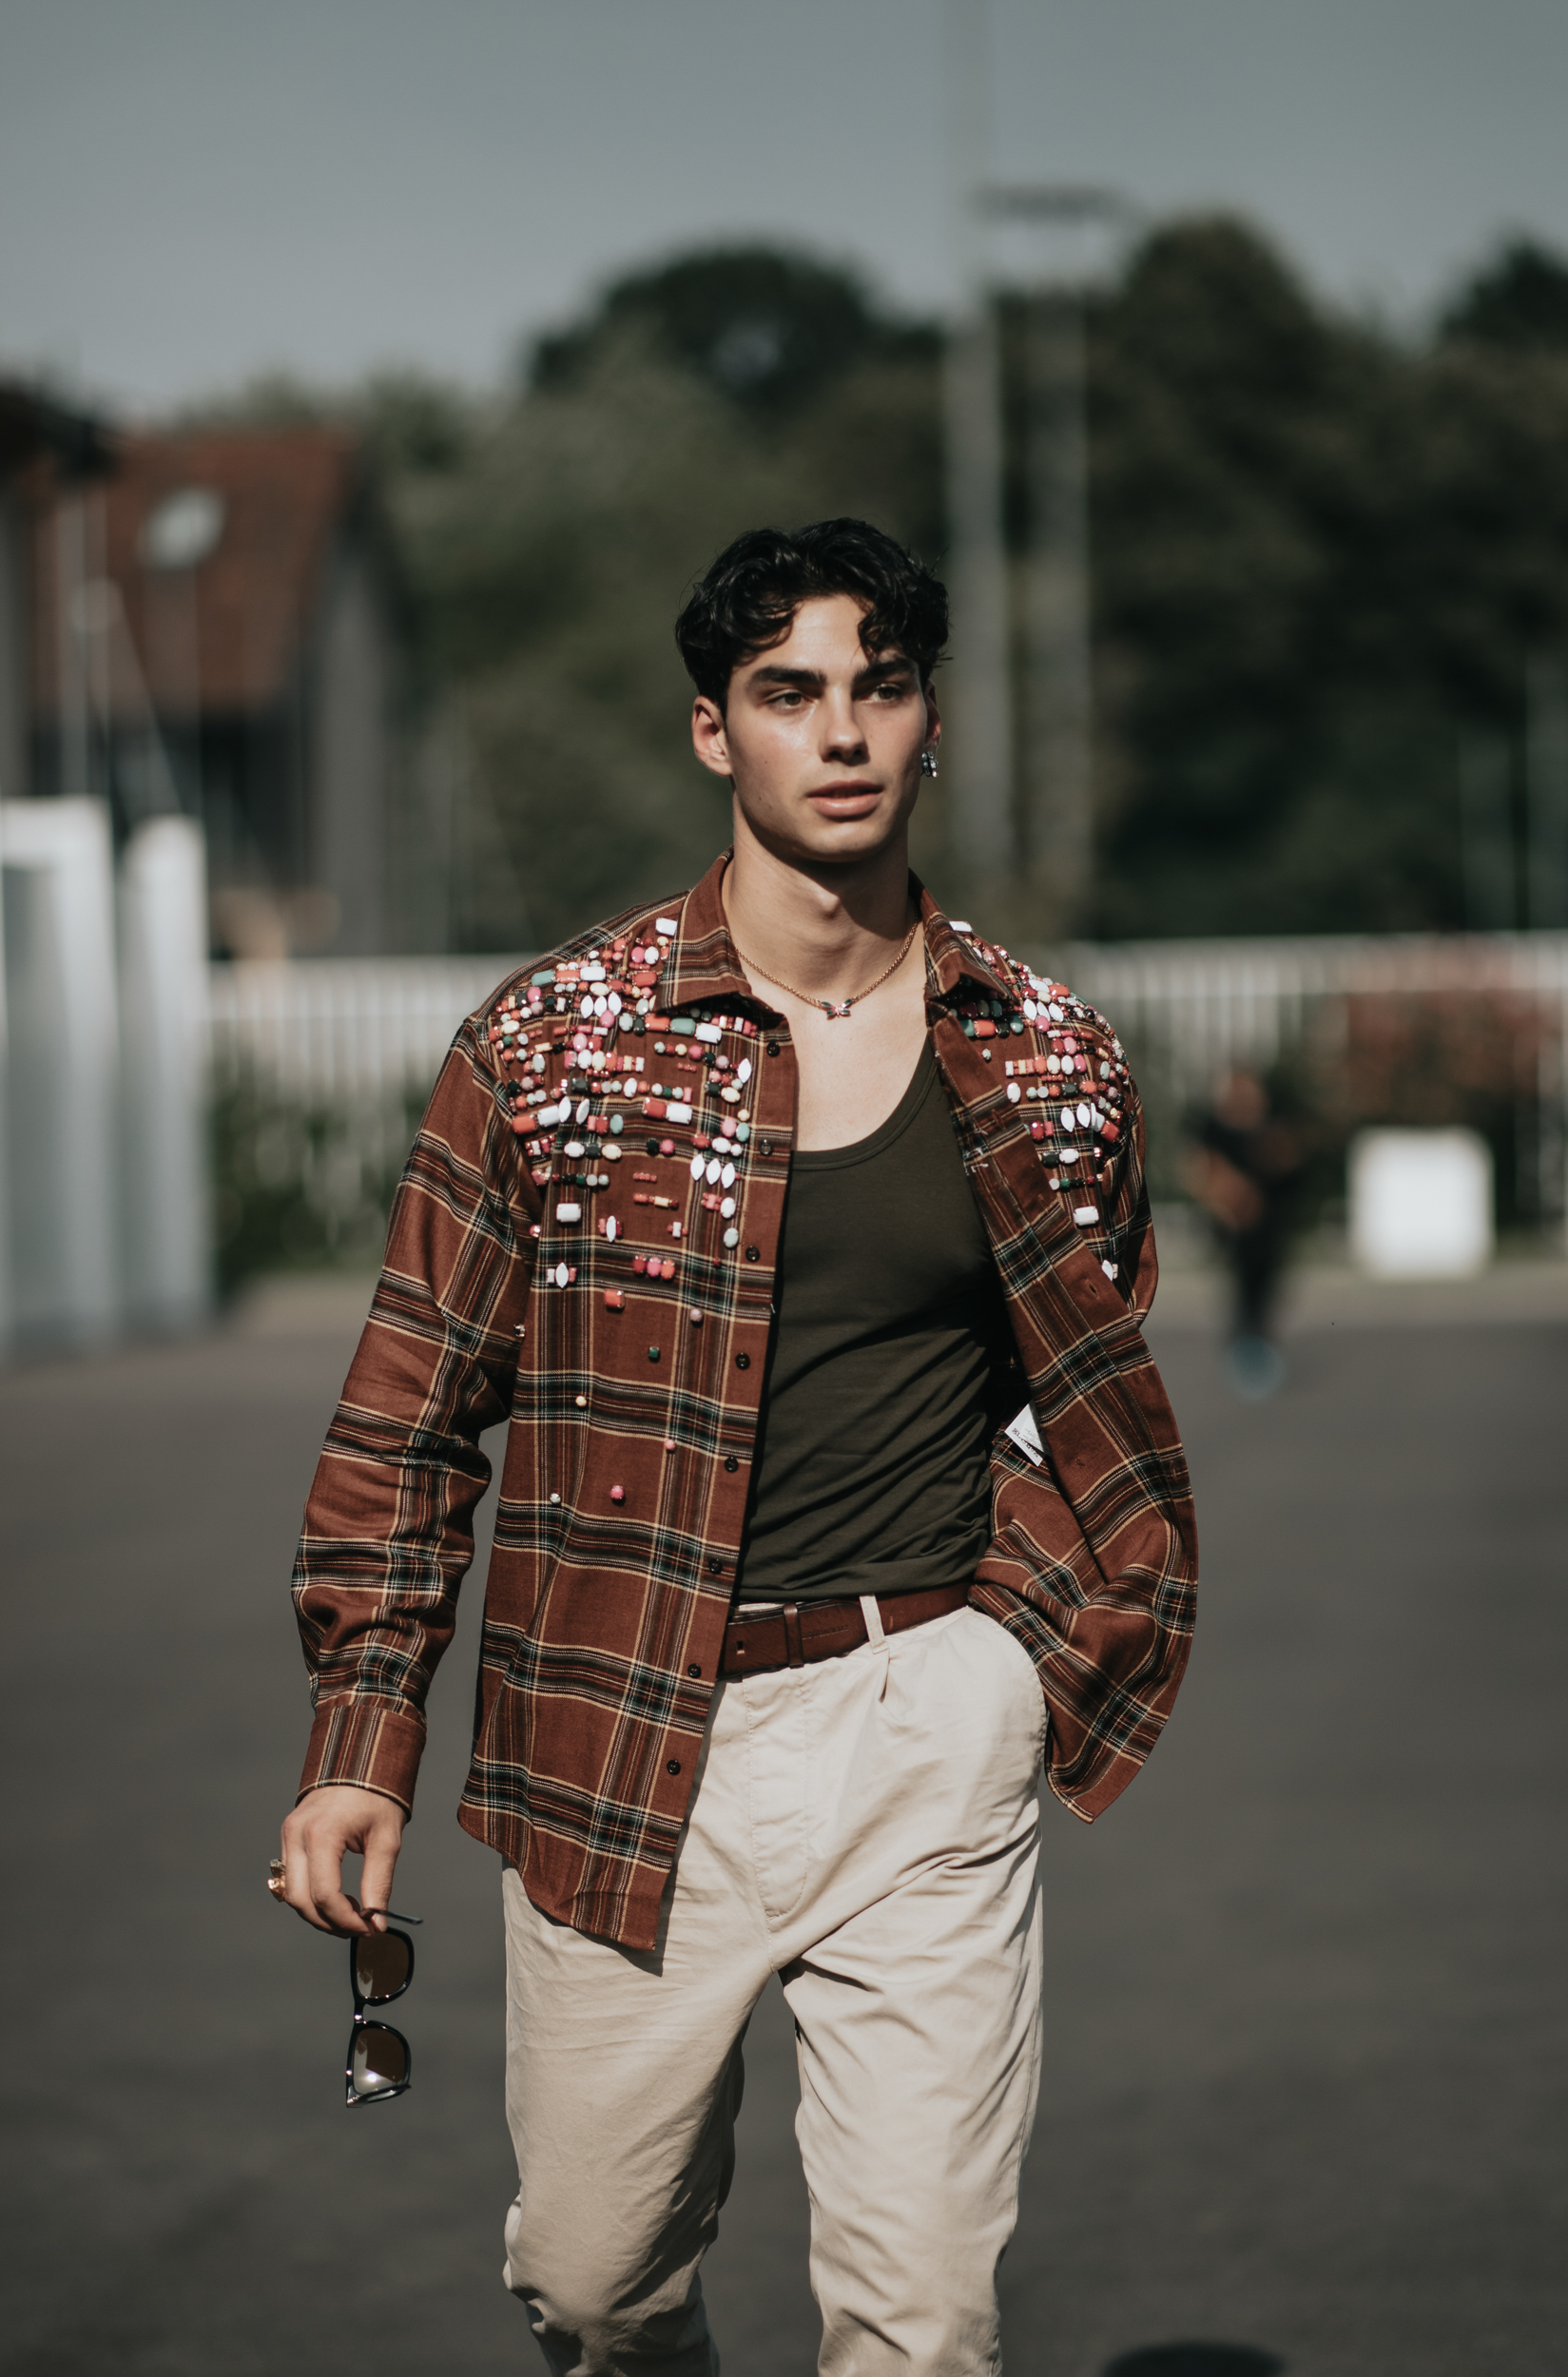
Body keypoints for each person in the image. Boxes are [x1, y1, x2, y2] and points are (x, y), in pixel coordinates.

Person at [274, 517, 1197, 2377]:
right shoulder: (551, 1050)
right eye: (788, 692)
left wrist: (1010, 1661)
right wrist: (361, 1734)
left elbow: (1077, 1381)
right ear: (714, 729)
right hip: (621, 1726)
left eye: (879, 686)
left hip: (920, 1715)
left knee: (922, 2320)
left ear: (929, 720)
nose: (839, 731)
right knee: (593, 2284)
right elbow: (409, 1416)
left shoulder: (1046, 1058)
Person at [1183, 1068, 1307, 1400]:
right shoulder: (1215, 1127)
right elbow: (1199, 1168)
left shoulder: (1271, 1123)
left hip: (1269, 1230)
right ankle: (1245, 1360)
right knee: (1240, 1298)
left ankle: (1262, 1357)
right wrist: (1229, 1194)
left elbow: (1290, 1164)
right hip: (1235, 1231)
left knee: (1265, 1297)